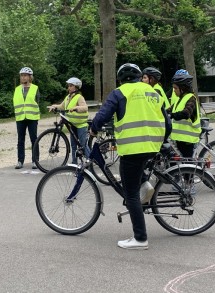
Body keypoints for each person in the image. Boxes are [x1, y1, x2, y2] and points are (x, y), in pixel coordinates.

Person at [90, 63, 171, 250]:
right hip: (152, 145)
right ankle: (146, 184)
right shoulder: (153, 92)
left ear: (120, 79)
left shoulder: (120, 93)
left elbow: (103, 115)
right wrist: (161, 140)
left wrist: (93, 130)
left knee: (131, 194)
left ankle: (140, 239)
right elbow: (167, 123)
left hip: (133, 147)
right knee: (137, 176)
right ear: (138, 76)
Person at [48, 77, 90, 163]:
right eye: (68, 86)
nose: (69, 88)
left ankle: (90, 161)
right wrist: (54, 106)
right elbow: (62, 106)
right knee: (73, 145)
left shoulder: (79, 97)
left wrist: (76, 108)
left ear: (76, 87)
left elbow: (85, 108)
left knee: (83, 145)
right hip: (72, 124)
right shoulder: (68, 97)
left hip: (80, 125)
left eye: (71, 86)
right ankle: (74, 163)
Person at [13, 67, 40, 169]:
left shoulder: (35, 88)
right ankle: (20, 161)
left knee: (34, 139)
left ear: (30, 77)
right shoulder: (17, 89)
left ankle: (35, 160)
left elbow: (37, 102)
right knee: (20, 140)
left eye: (25, 75)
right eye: (21, 75)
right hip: (20, 117)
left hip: (32, 117)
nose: (23, 77)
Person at [169, 72, 201, 159]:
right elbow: (168, 110)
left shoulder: (191, 98)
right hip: (180, 138)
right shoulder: (180, 99)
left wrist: (172, 115)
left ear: (182, 88)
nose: (174, 90)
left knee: (187, 166)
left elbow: (186, 113)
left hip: (188, 139)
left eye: (175, 88)